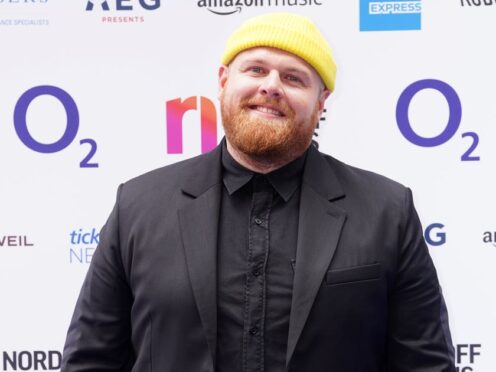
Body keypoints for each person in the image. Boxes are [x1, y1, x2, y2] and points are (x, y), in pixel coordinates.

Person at [61, 12, 455, 372]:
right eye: (256, 69)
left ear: (321, 103)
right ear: (223, 82)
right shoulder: (139, 205)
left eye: (294, 77)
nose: (271, 87)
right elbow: (91, 360)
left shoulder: (387, 211)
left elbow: (425, 364)